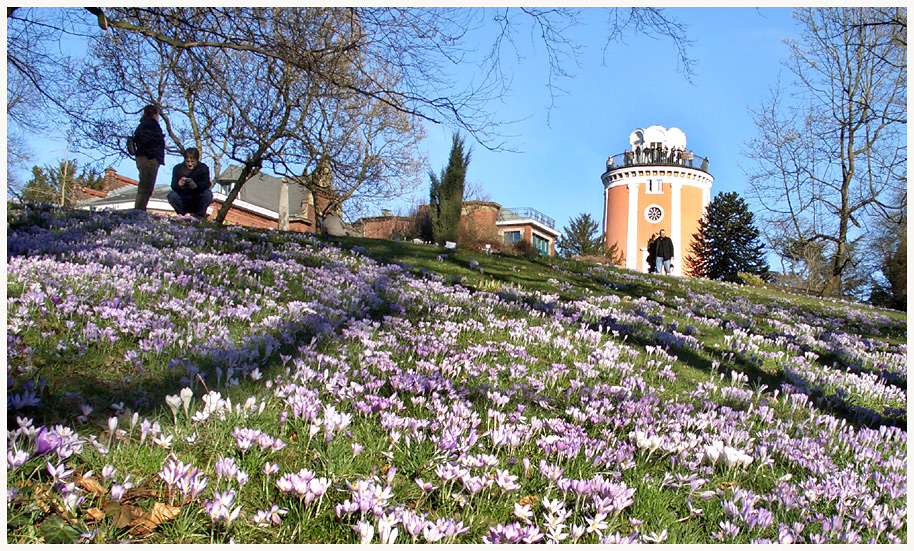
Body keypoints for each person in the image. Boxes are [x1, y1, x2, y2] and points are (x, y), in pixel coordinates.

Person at [132, 104, 166, 211]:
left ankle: (140, 209)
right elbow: (152, 142)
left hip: (143, 158)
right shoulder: (152, 126)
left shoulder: (142, 125)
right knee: (146, 187)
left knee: (145, 186)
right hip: (149, 159)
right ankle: (139, 210)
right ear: (155, 115)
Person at [167, 148, 212, 218]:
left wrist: (196, 186)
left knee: (208, 194)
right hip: (183, 198)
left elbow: (207, 184)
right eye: (188, 161)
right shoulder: (177, 168)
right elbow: (173, 186)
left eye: (192, 161)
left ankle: (199, 216)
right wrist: (179, 184)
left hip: (198, 198)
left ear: (197, 160)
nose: (190, 164)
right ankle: (181, 215)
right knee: (172, 195)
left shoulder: (203, 168)